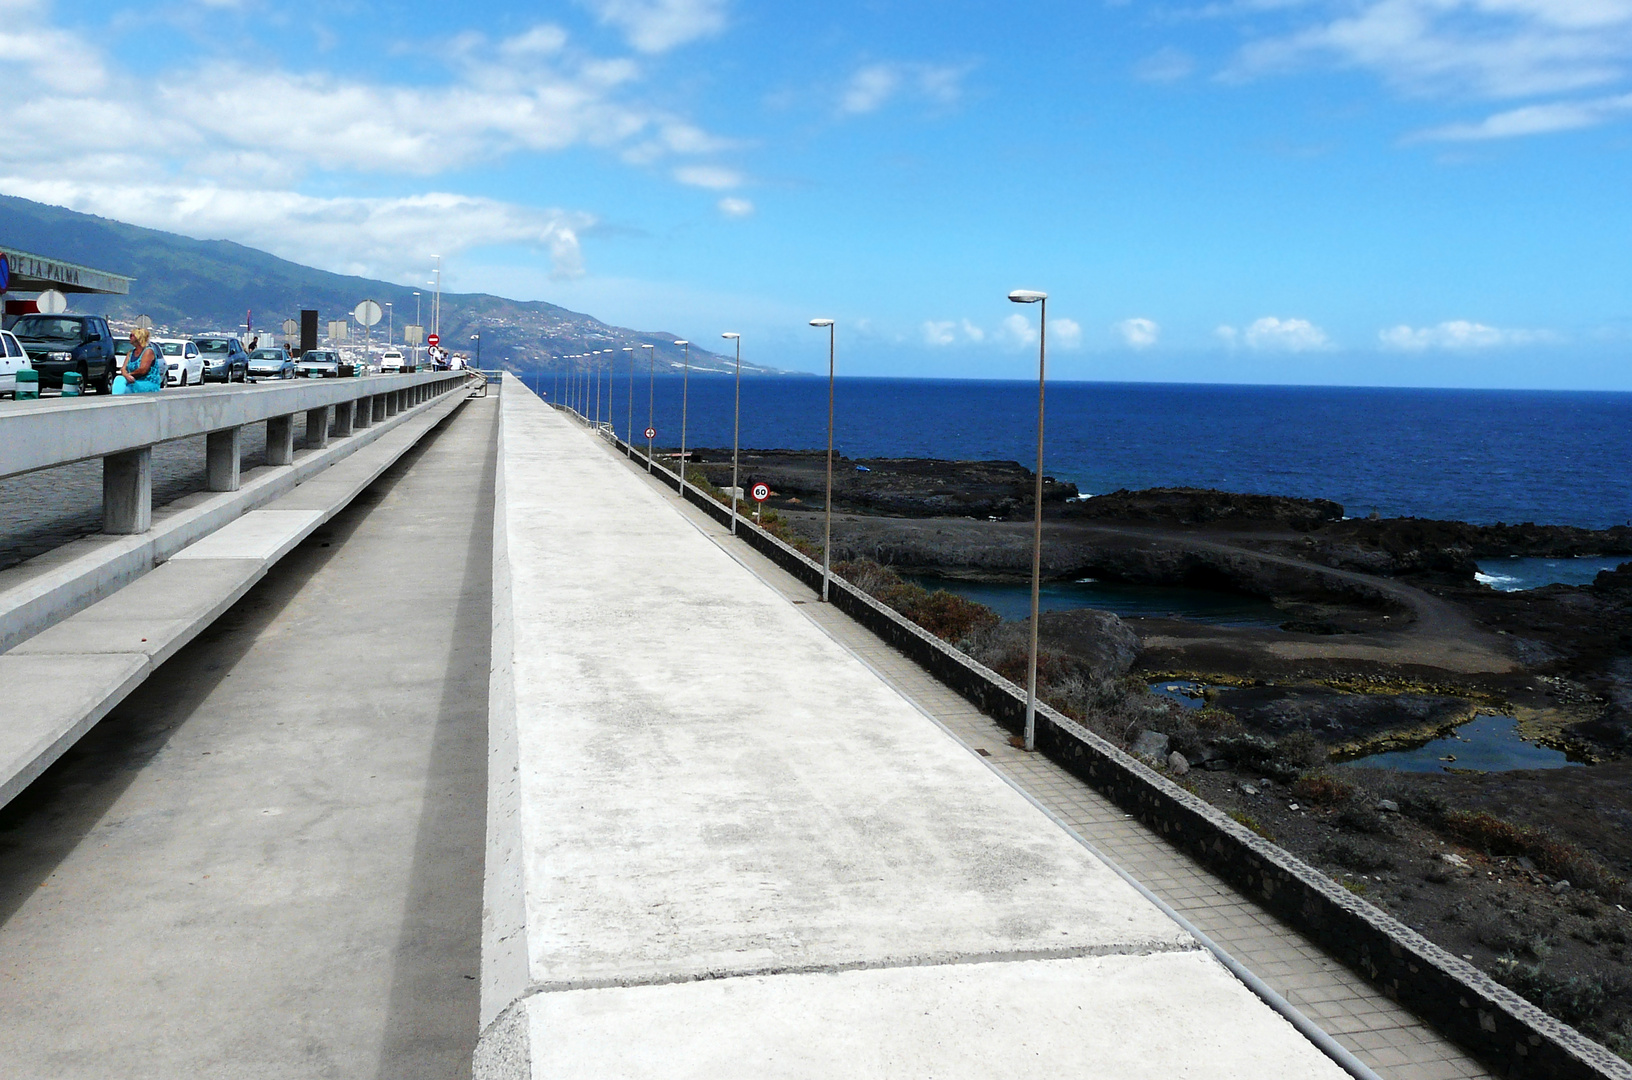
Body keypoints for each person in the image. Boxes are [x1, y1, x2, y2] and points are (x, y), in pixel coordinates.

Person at [113, 327, 164, 394]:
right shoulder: (130, 353)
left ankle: (118, 399)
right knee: (119, 378)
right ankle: (117, 398)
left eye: (132, 335)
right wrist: (126, 375)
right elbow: (123, 368)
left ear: (139, 337)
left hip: (147, 382)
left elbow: (142, 370)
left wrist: (129, 375)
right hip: (133, 381)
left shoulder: (148, 351)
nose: (130, 337)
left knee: (126, 389)